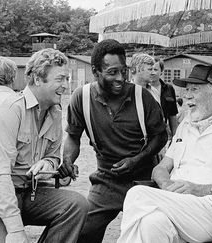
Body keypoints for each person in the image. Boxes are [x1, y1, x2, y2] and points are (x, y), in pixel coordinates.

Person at [118, 64, 212, 243]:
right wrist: (166, 184)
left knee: (137, 194)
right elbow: (161, 168)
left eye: (194, 89)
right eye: (186, 90)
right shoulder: (186, 125)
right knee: (150, 223)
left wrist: (203, 189)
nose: (186, 96)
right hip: (177, 205)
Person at [0, 48, 89, 243]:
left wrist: (49, 163)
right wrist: (15, 230)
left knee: (77, 204)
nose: (66, 86)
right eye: (60, 79)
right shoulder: (9, 110)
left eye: (67, 79)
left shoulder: (54, 112)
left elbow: (54, 156)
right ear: (38, 79)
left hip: (24, 190)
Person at [58, 39, 167, 243]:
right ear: (95, 71)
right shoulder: (81, 98)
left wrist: (137, 159)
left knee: (150, 232)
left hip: (144, 179)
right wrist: (68, 159)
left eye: (123, 71)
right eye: (112, 72)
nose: (120, 78)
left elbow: (160, 136)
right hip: (106, 179)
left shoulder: (142, 97)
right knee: (83, 232)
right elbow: (73, 137)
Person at [151, 57, 178, 137]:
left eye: (155, 70)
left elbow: (173, 115)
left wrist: (175, 137)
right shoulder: (142, 88)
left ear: (161, 72)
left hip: (163, 134)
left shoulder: (169, 89)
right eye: (150, 69)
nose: (152, 72)